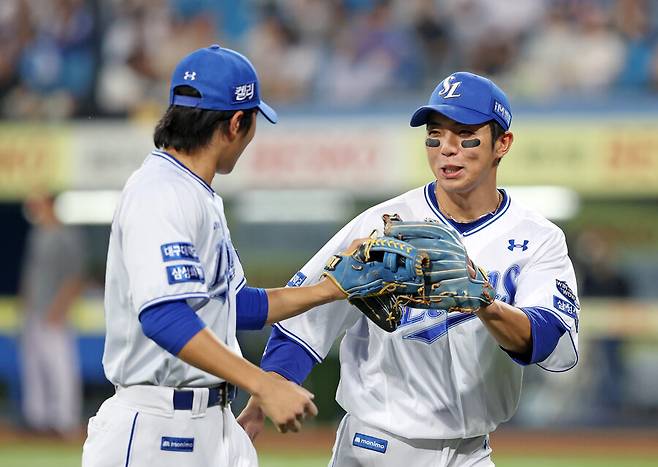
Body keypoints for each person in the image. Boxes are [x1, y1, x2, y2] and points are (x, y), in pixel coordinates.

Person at [238, 72, 581, 466]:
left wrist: (488, 305)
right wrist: (270, 389)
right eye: (435, 135)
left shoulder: (537, 236)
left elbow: (552, 338)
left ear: (502, 143)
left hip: (472, 451)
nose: (446, 149)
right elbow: (305, 321)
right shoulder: (382, 224)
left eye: (464, 133)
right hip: (377, 446)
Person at [81, 45, 348, 467]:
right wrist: (264, 384)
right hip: (159, 428)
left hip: (209, 422)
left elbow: (234, 307)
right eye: (254, 121)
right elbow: (165, 316)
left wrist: (329, 291)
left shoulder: (194, 192)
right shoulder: (160, 192)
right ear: (237, 122)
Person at [19, 193, 86, 438]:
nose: (33, 207)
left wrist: (60, 308)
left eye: (38, 202)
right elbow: (30, 274)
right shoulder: (37, 234)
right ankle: (38, 420)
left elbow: (75, 276)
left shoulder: (67, 235)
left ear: (49, 203)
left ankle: (65, 421)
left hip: (55, 313)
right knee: (34, 368)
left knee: (61, 368)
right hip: (34, 312)